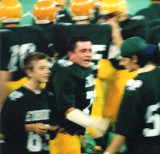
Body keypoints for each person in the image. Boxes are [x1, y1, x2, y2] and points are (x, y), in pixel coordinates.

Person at [47, 35, 110, 154]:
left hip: (76, 132)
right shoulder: (65, 71)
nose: (88, 54)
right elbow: (67, 110)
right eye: (83, 51)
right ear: (71, 55)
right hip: (64, 134)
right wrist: (94, 123)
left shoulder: (84, 66)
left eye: (90, 50)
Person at [104, 36, 160, 154]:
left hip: (144, 148)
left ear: (134, 59)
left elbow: (123, 132)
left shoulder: (134, 85)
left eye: (123, 59)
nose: (121, 63)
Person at [1, 52, 60, 154]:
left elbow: (53, 124)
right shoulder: (16, 98)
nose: (47, 71)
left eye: (47, 68)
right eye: (42, 68)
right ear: (29, 72)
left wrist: (53, 128)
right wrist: (30, 127)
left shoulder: (49, 96)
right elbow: (4, 127)